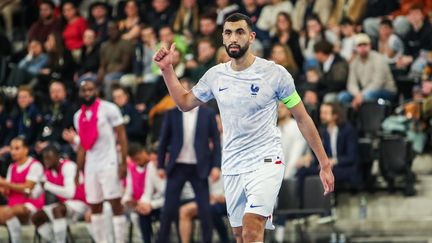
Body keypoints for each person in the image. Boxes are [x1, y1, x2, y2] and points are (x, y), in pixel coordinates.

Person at [153, 13, 334, 243]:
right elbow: (185, 103)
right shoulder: (215, 76)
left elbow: (302, 118)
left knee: (251, 228)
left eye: (240, 32)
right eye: (228, 33)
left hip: (266, 160)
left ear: (252, 36)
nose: (233, 38)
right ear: (223, 38)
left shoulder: (275, 74)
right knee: (240, 235)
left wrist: (324, 163)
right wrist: (168, 70)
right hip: (232, 164)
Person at [156, 78, 222, 243]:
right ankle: (162, 240)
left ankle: (207, 240)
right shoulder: (172, 113)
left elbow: (215, 141)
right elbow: (163, 141)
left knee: (205, 209)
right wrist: (160, 165)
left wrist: (216, 166)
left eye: (187, 89)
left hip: (198, 166)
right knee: (168, 208)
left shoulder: (208, 114)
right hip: (177, 166)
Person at [74, 79, 128, 243]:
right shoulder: (78, 116)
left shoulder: (109, 109)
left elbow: (122, 136)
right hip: (91, 164)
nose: (87, 93)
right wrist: (78, 170)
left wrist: (123, 162)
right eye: (84, 90)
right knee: (95, 205)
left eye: (90, 89)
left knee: (115, 203)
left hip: (109, 161)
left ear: (96, 90)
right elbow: (82, 145)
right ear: (80, 93)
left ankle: (120, 240)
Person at [31, 145, 88, 243]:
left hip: (82, 203)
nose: (46, 161)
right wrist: (30, 191)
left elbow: (70, 193)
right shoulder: (48, 172)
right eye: (44, 159)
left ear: (57, 157)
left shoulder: (68, 166)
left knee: (57, 210)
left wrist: (47, 185)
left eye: (49, 158)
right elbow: (35, 194)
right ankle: (54, 240)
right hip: (66, 206)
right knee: (37, 217)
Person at [0, 137, 45, 243]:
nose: (13, 152)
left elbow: (27, 187)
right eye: (11, 149)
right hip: (12, 205)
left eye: (17, 148)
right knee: (9, 212)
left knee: (11, 211)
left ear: (26, 150)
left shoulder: (35, 165)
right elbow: (8, 191)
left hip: (31, 206)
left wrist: (3, 182)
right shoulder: (12, 167)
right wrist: (3, 188)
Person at [122, 143, 164, 243]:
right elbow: (147, 192)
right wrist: (138, 204)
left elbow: (168, 194)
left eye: (138, 158)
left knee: (160, 213)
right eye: (134, 160)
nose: (137, 162)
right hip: (148, 203)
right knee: (138, 213)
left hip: (164, 203)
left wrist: (150, 205)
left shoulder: (153, 167)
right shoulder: (147, 168)